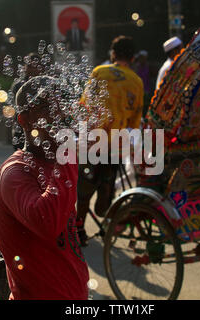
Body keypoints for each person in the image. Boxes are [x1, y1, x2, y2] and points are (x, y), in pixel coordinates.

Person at [0, 75, 89, 300]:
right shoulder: (14, 172)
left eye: (62, 104)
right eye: (45, 106)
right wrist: (68, 152)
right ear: (23, 120)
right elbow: (48, 221)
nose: (59, 114)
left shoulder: (53, 161)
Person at [76, 35, 144, 246]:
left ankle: (79, 230)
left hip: (94, 141)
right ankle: (107, 216)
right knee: (106, 187)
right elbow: (134, 120)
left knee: (84, 191)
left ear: (113, 54)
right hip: (116, 146)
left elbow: (84, 105)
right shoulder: (137, 82)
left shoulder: (99, 72)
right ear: (133, 58)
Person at [10, 53, 41, 151]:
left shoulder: (44, 84)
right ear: (25, 67)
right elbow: (13, 106)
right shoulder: (18, 85)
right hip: (21, 126)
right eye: (29, 66)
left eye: (34, 66)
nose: (31, 69)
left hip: (39, 127)